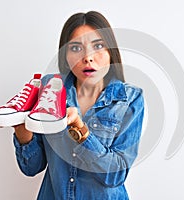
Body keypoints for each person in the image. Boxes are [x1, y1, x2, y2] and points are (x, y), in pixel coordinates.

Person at [13, 11, 144, 200]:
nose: (88, 57)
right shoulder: (49, 89)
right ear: (65, 54)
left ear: (111, 52)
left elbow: (115, 176)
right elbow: (31, 167)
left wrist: (80, 130)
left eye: (98, 46)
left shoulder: (131, 98)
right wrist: (22, 129)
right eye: (76, 48)